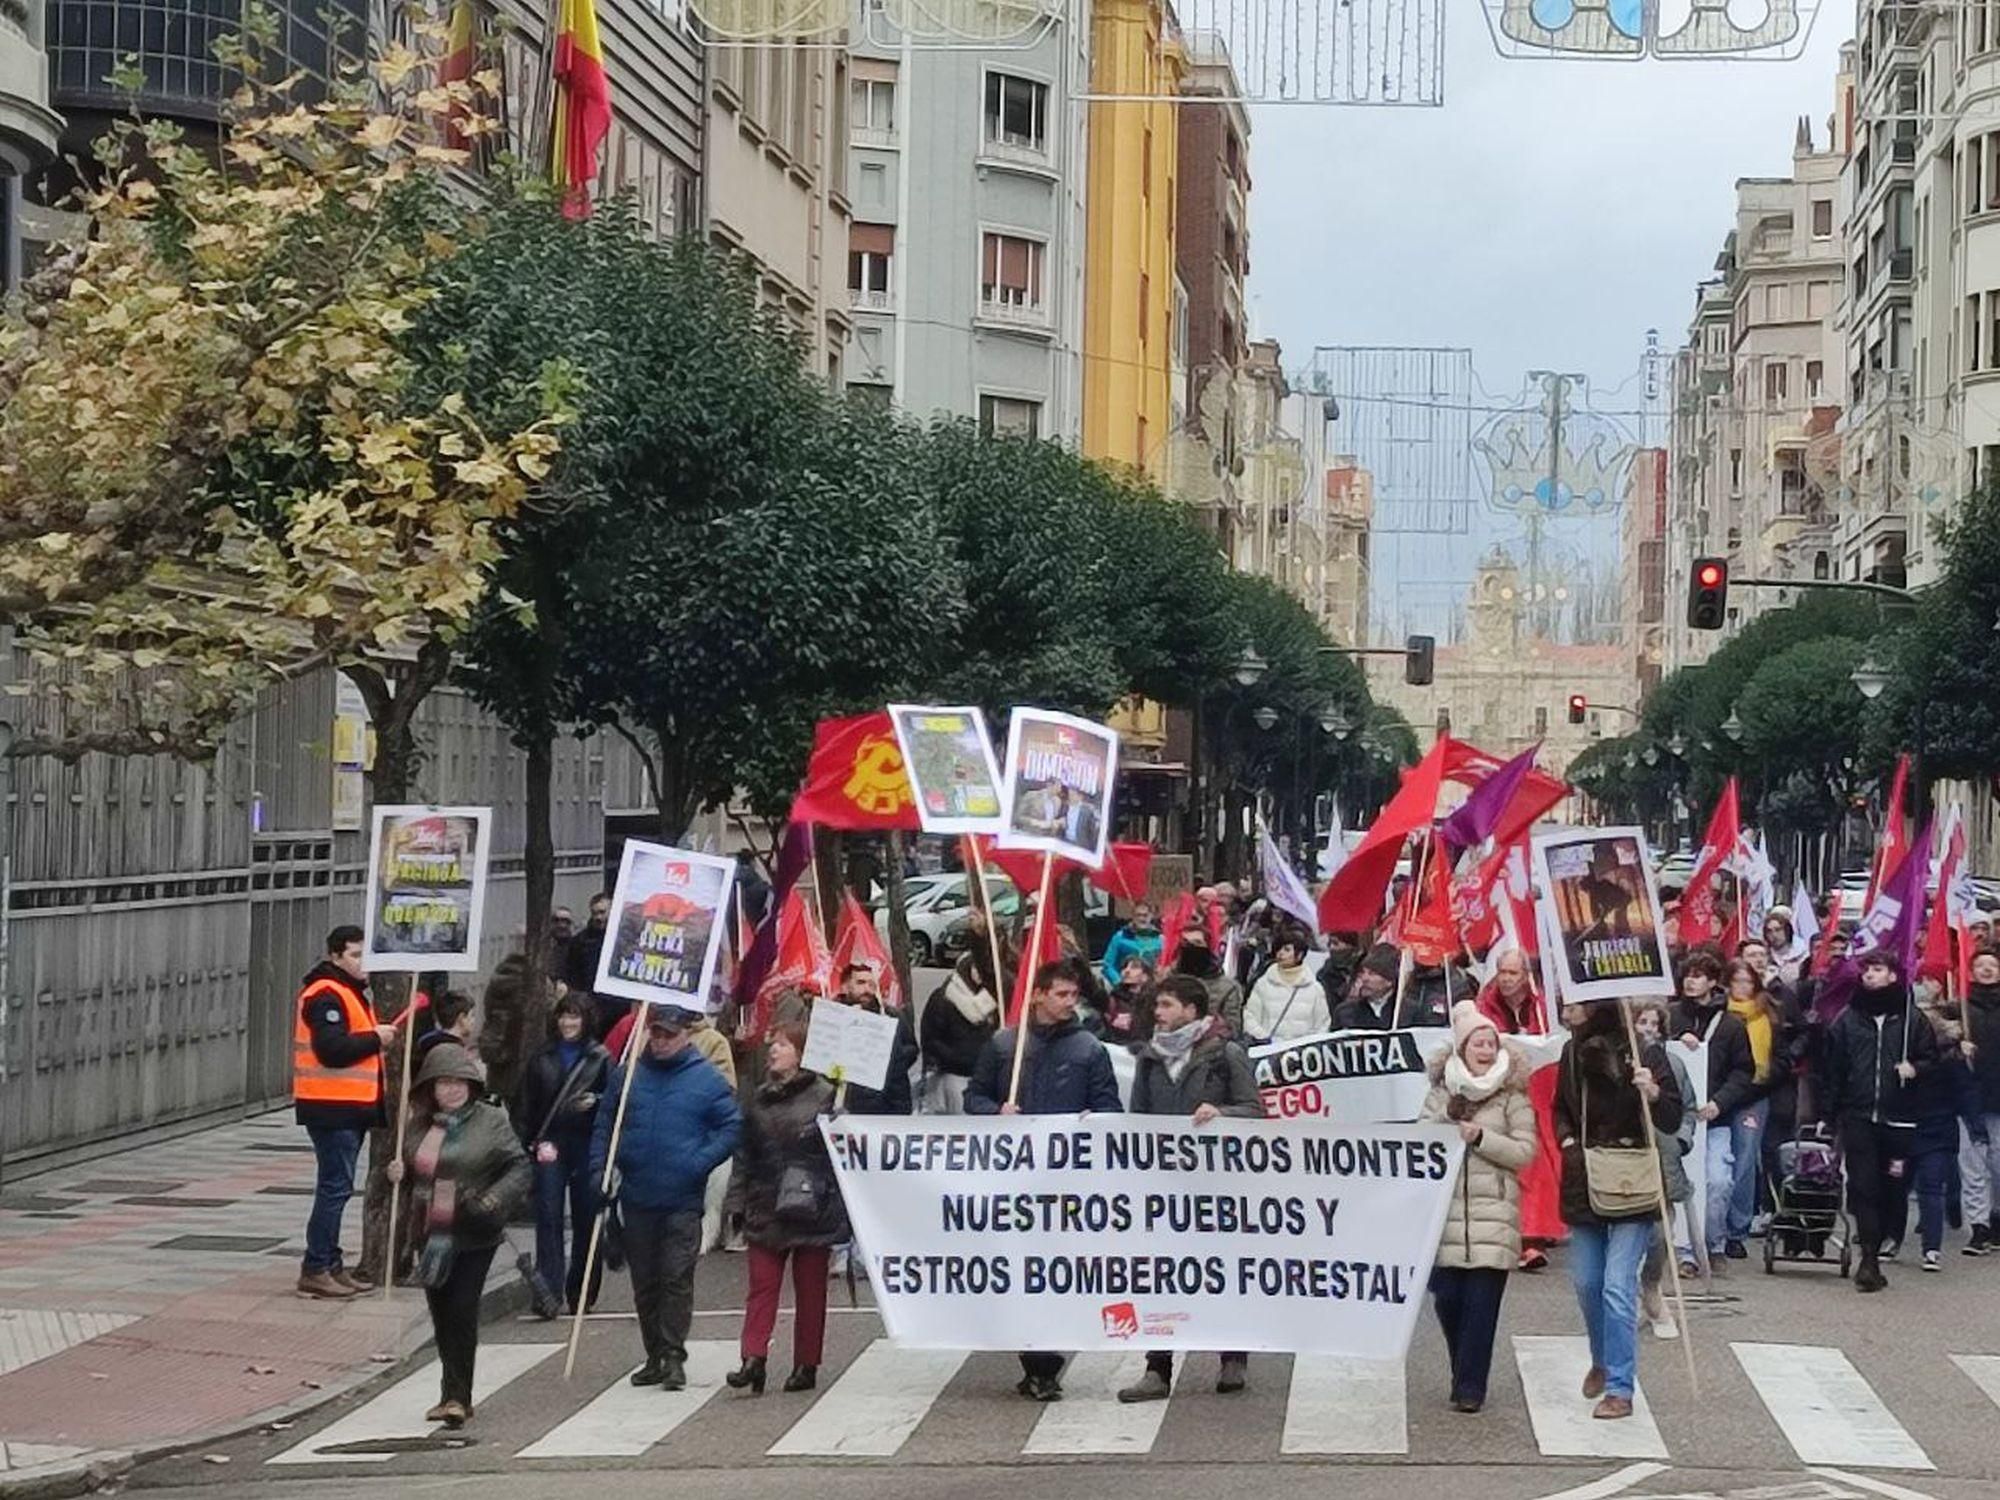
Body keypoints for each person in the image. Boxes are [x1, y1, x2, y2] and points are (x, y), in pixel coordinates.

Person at [966, 962, 1123, 1401]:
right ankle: (1036, 1362)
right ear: (1038, 995)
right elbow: (974, 1097)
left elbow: (1108, 1106)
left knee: (1057, 1270)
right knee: (1022, 1269)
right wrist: (995, 1112)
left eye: (1074, 995)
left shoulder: (1090, 1049)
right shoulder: (1004, 1046)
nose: (1069, 1002)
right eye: (1061, 994)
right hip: (1014, 1180)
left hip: (1066, 1181)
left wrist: (1098, 1120)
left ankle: (1045, 1359)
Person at [1117, 974, 1263, 1403]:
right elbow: (1138, 1119)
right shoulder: (1150, 1058)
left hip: (1219, 1187)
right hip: (1166, 1187)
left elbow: (1254, 1110)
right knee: (1162, 1275)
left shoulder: (1225, 1054)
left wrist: (1221, 1112)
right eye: (1157, 1006)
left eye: (1165, 1005)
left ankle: (1233, 1356)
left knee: (1221, 1271)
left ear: (1191, 1010)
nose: (1157, 1014)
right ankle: (1157, 1367)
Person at [591, 1006, 742, 1389]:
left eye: (668, 1035)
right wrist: (601, 1169)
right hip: (638, 1195)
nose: (660, 1042)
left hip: (682, 1199)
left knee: (676, 1276)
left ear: (685, 1036)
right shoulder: (627, 1077)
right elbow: (605, 1124)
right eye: (655, 1034)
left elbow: (731, 1125)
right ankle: (654, 1353)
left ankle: (673, 1354)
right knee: (646, 1281)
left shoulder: (705, 1080)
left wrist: (699, 1162)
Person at [386, 1043, 529, 1427]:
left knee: (462, 1311)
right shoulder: (417, 1124)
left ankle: (458, 1397)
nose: (451, 1091)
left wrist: (491, 1200)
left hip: (473, 1231)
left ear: (471, 1085)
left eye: (458, 1083)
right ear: (430, 1088)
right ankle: (448, 1390)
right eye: (443, 1083)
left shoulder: (491, 1120)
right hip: (430, 1234)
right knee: (442, 1314)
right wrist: (398, 1174)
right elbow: (413, 1172)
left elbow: (518, 1167)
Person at [1553, 1000, 1683, 1421]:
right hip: (1586, 1178)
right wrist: (1569, 1141)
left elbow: (1672, 1117)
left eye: (1574, 1004)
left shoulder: (1645, 1050)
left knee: (1616, 1284)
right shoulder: (1571, 1052)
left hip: (1632, 1179)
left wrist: (1653, 1092)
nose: (1566, 1009)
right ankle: (1603, 1358)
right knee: (1588, 1283)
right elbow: (1560, 1108)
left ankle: (1620, 1388)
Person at [1420, 1002, 1539, 1413]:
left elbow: (1525, 1152)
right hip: (1446, 1216)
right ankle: (1462, 1368)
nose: (1486, 1050)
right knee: (1447, 1298)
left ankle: (1471, 1387)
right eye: (1478, 1043)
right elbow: (1419, 1147)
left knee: (1481, 1308)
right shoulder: (1441, 1093)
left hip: (1494, 1218)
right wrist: (1444, 1125)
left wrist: (1481, 1139)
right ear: (1462, 1049)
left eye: (1491, 1042)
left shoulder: (1512, 1098)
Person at [728, 1021, 846, 1395]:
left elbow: (841, 1152)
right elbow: (744, 1154)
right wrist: (736, 1203)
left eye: (781, 1044)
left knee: (811, 1290)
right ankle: (753, 1357)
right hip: (765, 1203)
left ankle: (806, 1363)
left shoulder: (828, 1096)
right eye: (772, 1044)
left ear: (801, 1053)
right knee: (762, 1286)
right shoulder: (759, 1099)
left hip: (811, 1204)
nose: (773, 1050)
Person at [1819, 949, 1941, 1291]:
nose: (1870, 975)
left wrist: (1915, 1068)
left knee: (1892, 1187)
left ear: (1892, 975)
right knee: (1863, 1186)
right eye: (1866, 970)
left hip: (1898, 1116)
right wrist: (1827, 1115)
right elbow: (1832, 1070)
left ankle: (1887, 1236)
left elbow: (1932, 1060)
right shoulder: (1848, 1019)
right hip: (1858, 1115)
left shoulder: (1911, 1020)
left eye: (1877, 969)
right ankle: (1869, 1259)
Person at [293, 924, 396, 1299]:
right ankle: (317, 1266)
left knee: (337, 1187)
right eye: (355, 954)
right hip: (331, 1105)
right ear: (335, 956)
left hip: (346, 1106)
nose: (362, 962)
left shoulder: (348, 991)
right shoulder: (326, 994)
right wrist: (376, 1037)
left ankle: (330, 1264)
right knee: (334, 1188)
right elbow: (332, 1050)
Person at [516, 994, 611, 1315]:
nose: (568, 1023)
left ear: (586, 1020)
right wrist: (529, 1143)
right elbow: (525, 1106)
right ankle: (549, 1292)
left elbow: (613, 1103)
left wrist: (595, 1102)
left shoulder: (600, 1058)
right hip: (551, 1143)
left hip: (586, 1143)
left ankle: (582, 1290)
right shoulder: (540, 1057)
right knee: (548, 1215)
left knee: (587, 1217)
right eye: (563, 1016)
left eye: (574, 1017)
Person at [1668, 950, 1755, 1268]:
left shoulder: (1731, 1025)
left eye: (1699, 975)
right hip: (1677, 1118)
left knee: (1718, 1181)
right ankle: (1684, 1251)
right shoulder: (1671, 1016)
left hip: (1715, 1119)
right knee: (1681, 1183)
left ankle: (1713, 1243)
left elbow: (1743, 1071)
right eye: (1688, 975)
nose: (1692, 981)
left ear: (1713, 982)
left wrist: (1721, 1102)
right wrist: (1676, 1039)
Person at [1630, 998, 1696, 1340]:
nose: (1649, 1031)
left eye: (1655, 1025)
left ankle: (1651, 1285)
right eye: (1643, 1023)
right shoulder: (1623, 1060)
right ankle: (1625, 1300)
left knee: (1659, 1235)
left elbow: (1687, 1108)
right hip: (1629, 1159)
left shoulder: (1673, 1064)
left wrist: (1682, 1139)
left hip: (1665, 1156)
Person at [1718, 957, 1781, 1256]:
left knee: (1744, 1162)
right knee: (1720, 1163)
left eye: (1748, 982)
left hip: (1754, 1096)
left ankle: (1736, 1229)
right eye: (1737, 981)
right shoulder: (1719, 1015)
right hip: (1723, 1095)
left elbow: (1780, 1056)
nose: (1743, 987)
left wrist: (1766, 1081)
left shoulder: (1767, 1015)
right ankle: (1713, 1225)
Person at [920, 928, 1004, 1113]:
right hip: (953, 1075)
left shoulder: (994, 998)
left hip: (985, 1077)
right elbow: (930, 1038)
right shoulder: (944, 997)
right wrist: (955, 1059)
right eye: (976, 969)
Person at [827, 963, 918, 1115]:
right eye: (860, 983)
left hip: (882, 1104)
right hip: (838, 1102)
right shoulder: (831, 1017)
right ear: (844, 987)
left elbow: (911, 1049)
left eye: (871, 984)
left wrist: (886, 1064)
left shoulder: (892, 1016)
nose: (867, 989)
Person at [1960, 950, 2000, 1255]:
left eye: (1992, 965)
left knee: (1998, 1162)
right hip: (1968, 1095)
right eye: (1980, 966)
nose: (1987, 970)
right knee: (1972, 1164)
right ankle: (1979, 1226)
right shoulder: (1959, 1006)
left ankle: (1997, 1216)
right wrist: (1955, 1041)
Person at [1241, 927, 1331, 1045]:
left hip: (1302, 1055)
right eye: (1279, 949)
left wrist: (1307, 1046)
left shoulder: (1315, 989)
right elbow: (1250, 1016)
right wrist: (1264, 1039)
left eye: (1287, 949)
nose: (1281, 953)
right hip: (1268, 1051)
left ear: (1299, 955)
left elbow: (1322, 1024)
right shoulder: (1263, 984)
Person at [1171, 925, 1244, 1037]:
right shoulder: (1167, 981)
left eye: (1197, 943)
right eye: (1186, 943)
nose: (1191, 948)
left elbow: (1233, 1029)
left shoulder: (1228, 988)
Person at [1332, 945, 1401, 1030]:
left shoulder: (1407, 1012)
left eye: (1372, 973)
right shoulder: (1345, 1013)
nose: (1364, 978)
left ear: (1389, 981)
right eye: (1363, 972)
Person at [566, 892, 613, 1012]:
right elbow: (573, 975)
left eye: (602, 912)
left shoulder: (623, 939)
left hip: (618, 1004)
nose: (598, 918)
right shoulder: (579, 942)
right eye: (594, 913)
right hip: (590, 1003)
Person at [1101, 901, 1163, 990]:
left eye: (1145, 915)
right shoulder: (1120, 937)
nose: (1142, 918)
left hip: (1151, 989)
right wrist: (1119, 983)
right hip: (1125, 989)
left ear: (1151, 916)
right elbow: (1108, 965)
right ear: (1133, 917)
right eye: (1138, 915)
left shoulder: (1160, 940)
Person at [1104, 953, 1159, 1041]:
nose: (1127, 971)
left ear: (1145, 976)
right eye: (1124, 967)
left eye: (1134, 967)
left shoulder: (1154, 1000)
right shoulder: (1115, 997)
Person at [417, 990, 480, 1065]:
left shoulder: (430, 1046)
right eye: (472, 1015)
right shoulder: (453, 1055)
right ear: (462, 1018)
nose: (474, 1021)